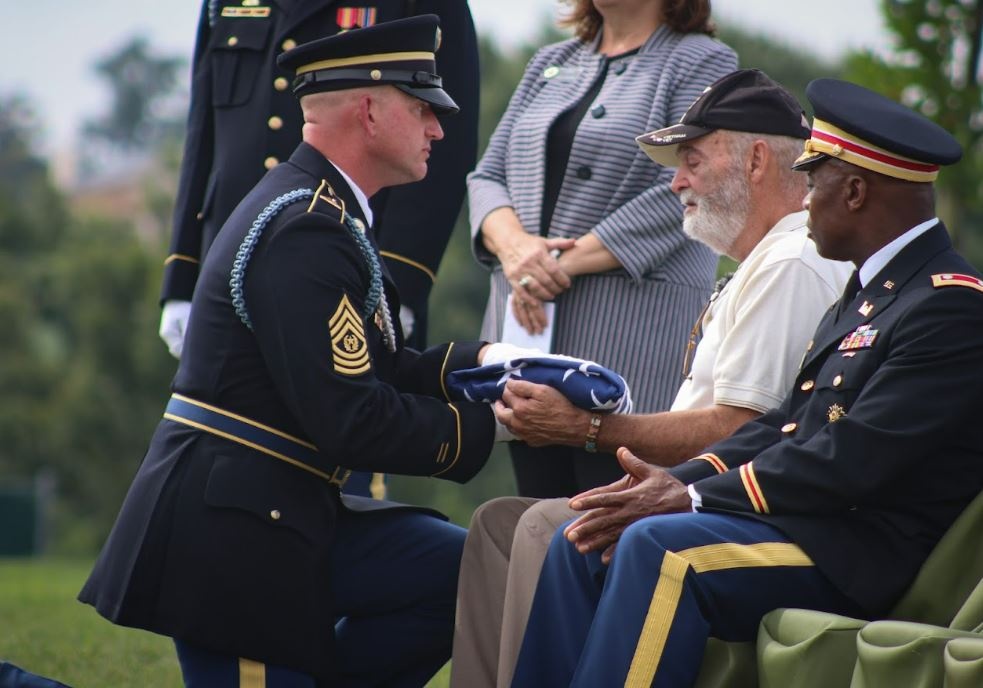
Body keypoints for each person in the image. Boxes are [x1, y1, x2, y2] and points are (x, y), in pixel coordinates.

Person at [510, 77, 983, 688]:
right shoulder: (868, 294)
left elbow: (850, 461)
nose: (804, 199)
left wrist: (694, 498)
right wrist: (670, 482)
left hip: (859, 551)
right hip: (806, 524)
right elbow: (784, 426)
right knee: (589, 537)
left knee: (662, 552)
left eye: (814, 183)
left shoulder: (949, 307)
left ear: (858, 192)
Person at [79, 17, 504, 687]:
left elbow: (376, 367)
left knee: (467, 571)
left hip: (282, 508)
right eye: (423, 109)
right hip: (236, 538)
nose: (438, 130)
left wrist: (489, 370)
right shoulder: (308, 227)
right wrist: (496, 424)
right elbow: (353, 420)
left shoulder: (327, 210)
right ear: (368, 111)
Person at [449, 69, 854, 688]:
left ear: (754, 162)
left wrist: (586, 427)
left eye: (692, 159)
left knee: (540, 528)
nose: (676, 181)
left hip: (750, 518)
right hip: (720, 504)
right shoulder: (765, 261)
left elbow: (741, 431)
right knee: (497, 525)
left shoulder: (791, 260)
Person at [159, 0, 478, 501]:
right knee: (242, 444)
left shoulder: (322, 232)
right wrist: (182, 273)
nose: (433, 125)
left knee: (338, 478)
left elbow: (445, 148)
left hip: (348, 258)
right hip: (243, 250)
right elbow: (203, 132)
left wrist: (393, 287)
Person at [467, 0, 737, 497]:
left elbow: (686, 187)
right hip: (526, 338)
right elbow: (487, 176)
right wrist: (514, 252)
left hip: (631, 342)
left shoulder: (704, 61)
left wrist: (547, 267)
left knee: (602, 527)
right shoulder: (552, 59)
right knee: (534, 521)